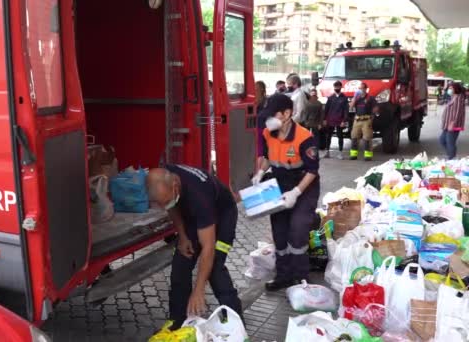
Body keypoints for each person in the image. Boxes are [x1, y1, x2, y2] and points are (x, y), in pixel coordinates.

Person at [147, 165, 243, 331]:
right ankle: (177, 323)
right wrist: (183, 236)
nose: (165, 206)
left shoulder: (200, 196)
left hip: (223, 216)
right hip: (194, 217)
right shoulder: (165, 177)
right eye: (162, 203)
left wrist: (199, 290)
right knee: (180, 266)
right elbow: (172, 206)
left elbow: (208, 248)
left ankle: (235, 324)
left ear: (175, 186)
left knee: (215, 269)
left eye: (166, 200)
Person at [252, 94, 320, 290]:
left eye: (273, 115)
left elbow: (312, 171)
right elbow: (266, 157)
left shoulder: (304, 137)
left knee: (297, 230)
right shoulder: (267, 133)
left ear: (287, 114)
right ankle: (283, 276)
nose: (269, 119)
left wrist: (296, 193)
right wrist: (260, 172)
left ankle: (300, 277)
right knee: (279, 233)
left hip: (304, 186)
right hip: (279, 184)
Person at [349, 82, 378, 161]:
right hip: (357, 120)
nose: (361, 90)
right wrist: (354, 98)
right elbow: (351, 107)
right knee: (354, 137)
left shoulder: (370, 98)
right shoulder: (357, 98)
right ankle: (353, 155)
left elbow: (376, 108)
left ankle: (368, 156)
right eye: (359, 88)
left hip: (366, 120)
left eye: (362, 88)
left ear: (366, 89)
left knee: (367, 138)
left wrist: (373, 115)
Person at [439, 82, 466, 160]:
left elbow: (458, 112)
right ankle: (451, 156)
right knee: (442, 140)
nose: (449, 90)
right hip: (447, 124)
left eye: (451, 88)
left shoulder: (459, 98)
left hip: (453, 125)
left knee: (450, 142)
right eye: (449, 88)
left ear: (456, 89)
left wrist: (453, 123)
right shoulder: (453, 97)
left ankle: (451, 158)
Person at [323, 81, 349, 159]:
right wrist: (324, 119)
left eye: (338, 87)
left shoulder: (344, 98)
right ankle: (327, 152)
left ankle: (340, 153)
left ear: (341, 87)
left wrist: (344, 121)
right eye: (335, 87)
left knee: (340, 136)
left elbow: (346, 110)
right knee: (328, 136)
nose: (336, 88)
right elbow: (326, 109)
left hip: (339, 121)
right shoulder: (330, 98)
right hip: (330, 120)